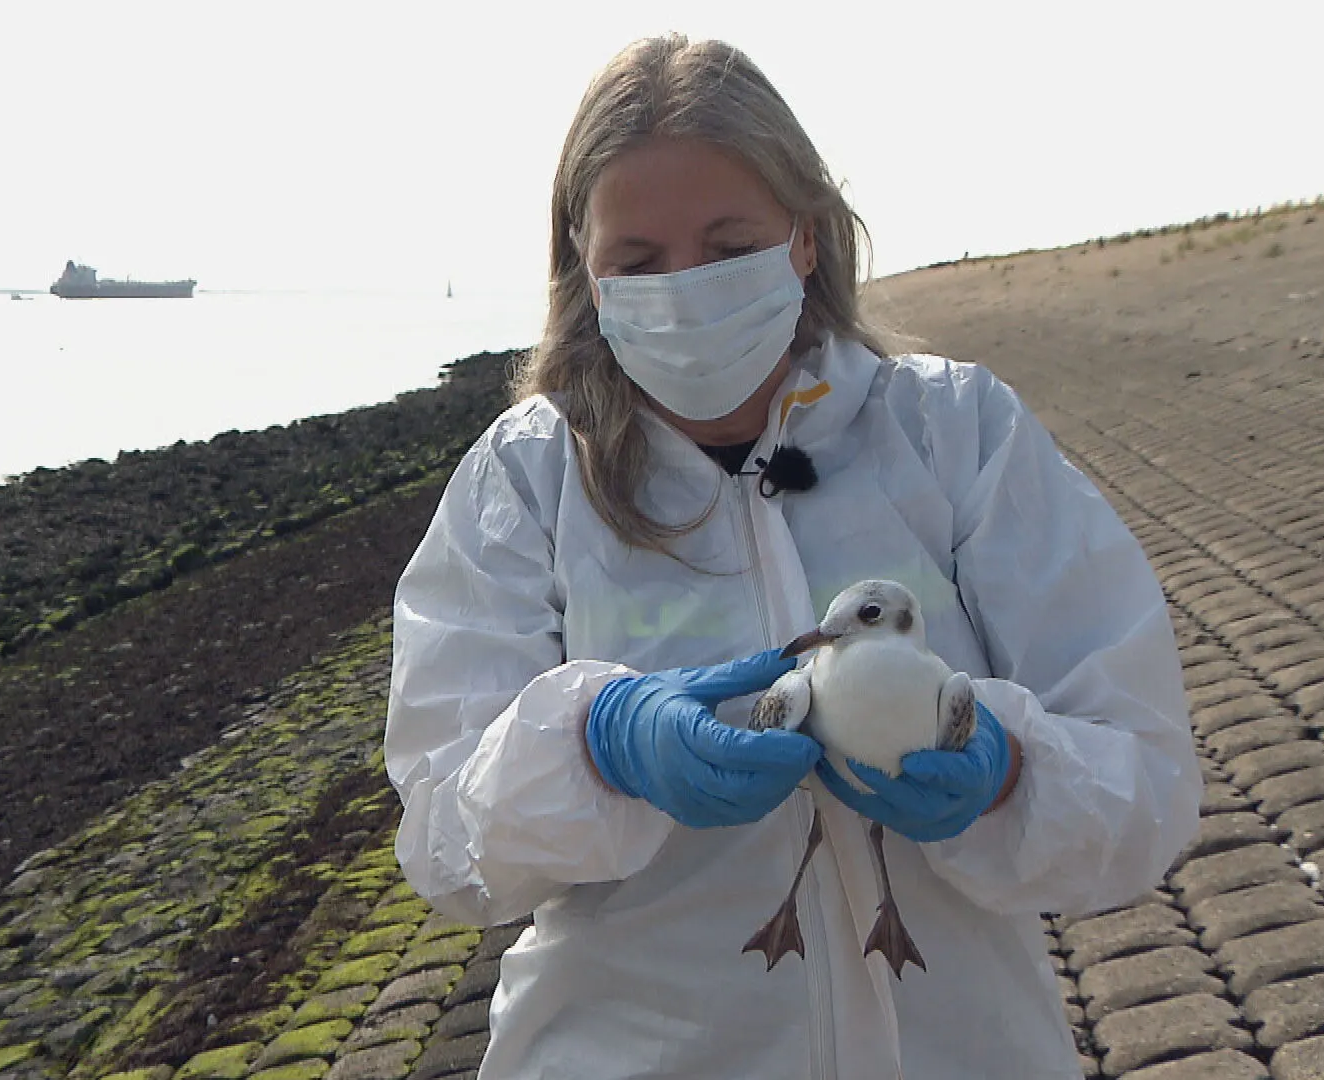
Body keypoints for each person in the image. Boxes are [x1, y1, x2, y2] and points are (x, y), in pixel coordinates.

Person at [384, 33, 1198, 1080]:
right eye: (639, 261)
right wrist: (598, 744)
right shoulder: (527, 482)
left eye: (728, 245)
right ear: (587, 270)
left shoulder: (956, 434)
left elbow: (1146, 780)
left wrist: (1003, 769)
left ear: (804, 239)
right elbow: (446, 847)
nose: (685, 287)